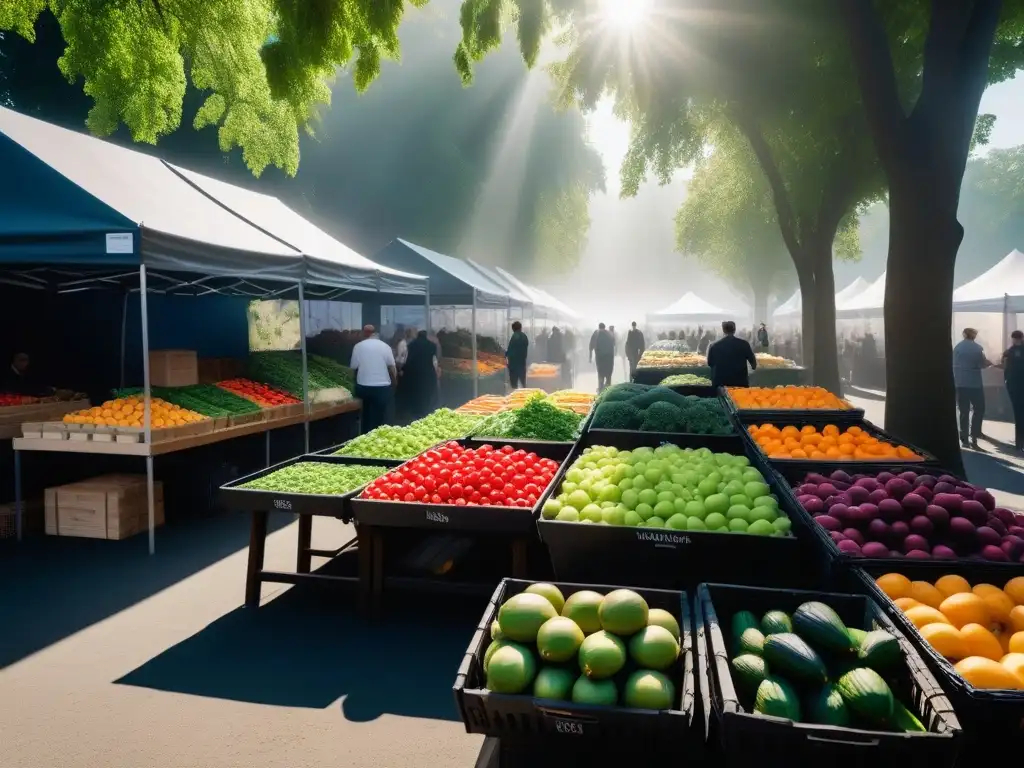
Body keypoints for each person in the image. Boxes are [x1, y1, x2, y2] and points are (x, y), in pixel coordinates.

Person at [349, 325, 397, 433]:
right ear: (375, 333)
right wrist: (395, 383)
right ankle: (380, 438)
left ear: (364, 333)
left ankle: (365, 435)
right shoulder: (385, 346)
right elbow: (392, 368)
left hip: (363, 386)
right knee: (381, 417)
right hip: (383, 387)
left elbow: (353, 367)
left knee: (365, 415)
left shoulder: (358, 346)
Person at [953, 327, 991, 449]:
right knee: (979, 409)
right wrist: (989, 363)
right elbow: (982, 364)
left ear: (964, 335)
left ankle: (964, 438)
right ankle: (974, 436)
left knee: (963, 411)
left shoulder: (957, 347)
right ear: (974, 336)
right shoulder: (977, 348)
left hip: (960, 383)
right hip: (974, 383)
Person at [707, 320, 757, 389]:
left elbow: (710, 363)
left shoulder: (714, 345)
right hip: (740, 382)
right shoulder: (744, 344)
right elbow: (753, 364)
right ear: (734, 330)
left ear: (723, 330)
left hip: (721, 383)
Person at [403, 330, 440, 420]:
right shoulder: (432, 345)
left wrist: (404, 369)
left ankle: (416, 412)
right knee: (426, 392)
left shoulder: (411, 345)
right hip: (428, 372)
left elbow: (408, 359)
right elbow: (434, 359)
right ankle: (425, 411)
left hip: (414, 373)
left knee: (415, 392)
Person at [1002, 330, 1024, 451]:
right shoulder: (1009, 352)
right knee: (1020, 414)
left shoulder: (1008, 352)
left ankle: (1019, 442)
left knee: (1018, 414)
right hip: (1017, 385)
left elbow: (1005, 367)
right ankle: (1020, 442)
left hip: (1014, 386)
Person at [590, 323, 615, 391]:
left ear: (599, 327)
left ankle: (600, 387)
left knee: (600, 373)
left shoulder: (596, 333)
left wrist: (590, 356)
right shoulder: (609, 334)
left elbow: (591, 345)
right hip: (609, 357)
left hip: (599, 357)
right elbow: (614, 343)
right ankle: (608, 387)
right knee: (608, 374)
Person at [506, 321, 529, 389]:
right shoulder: (524, 336)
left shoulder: (515, 336)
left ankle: (516, 397)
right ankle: (525, 396)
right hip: (522, 362)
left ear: (513, 328)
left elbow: (511, 350)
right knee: (523, 382)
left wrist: (506, 354)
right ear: (520, 328)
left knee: (514, 385)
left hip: (514, 364)